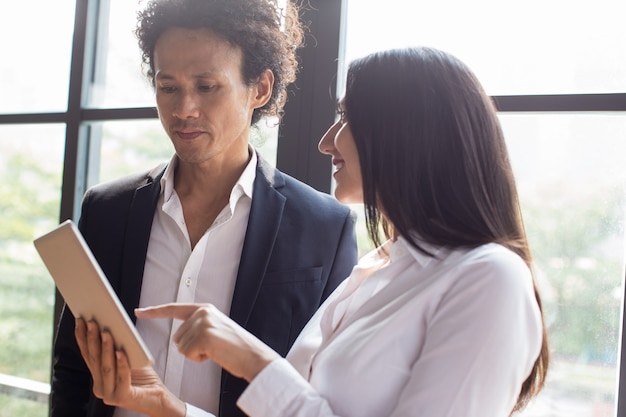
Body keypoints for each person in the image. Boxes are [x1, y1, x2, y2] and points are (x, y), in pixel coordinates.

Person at [134, 46, 551, 417]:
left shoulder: (491, 278)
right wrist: (174, 410)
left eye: (348, 118)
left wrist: (252, 360)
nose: (326, 142)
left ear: (409, 133)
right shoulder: (377, 270)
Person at [51, 1, 358, 417]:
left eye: (206, 86)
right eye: (168, 87)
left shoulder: (324, 227)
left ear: (260, 89)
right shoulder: (107, 210)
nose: (183, 110)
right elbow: (71, 371)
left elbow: (321, 393)